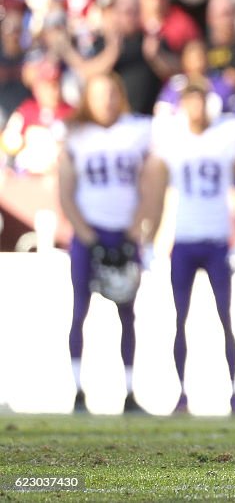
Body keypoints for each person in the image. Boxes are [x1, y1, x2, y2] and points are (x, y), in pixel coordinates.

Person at [146, 82, 235, 415]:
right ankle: (181, 394)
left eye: (200, 102)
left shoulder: (227, 136)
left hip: (217, 239)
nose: (195, 109)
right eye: (189, 103)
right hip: (184, 238)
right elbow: (156, 191)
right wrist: (151, 238)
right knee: (179, 319)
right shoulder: (172, 140)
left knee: (226, 318)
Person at [57, 72, 153, 414]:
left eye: (112, 93)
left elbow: (150, 184)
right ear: (87, 98)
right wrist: (90, 238)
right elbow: (65, 195)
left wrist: (133, 233)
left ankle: (129, 391)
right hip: (89, 235)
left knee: (129, 314)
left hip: (124, 234)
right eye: (98, 94)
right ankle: (78, 391)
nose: (106, 101)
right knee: (79, 311)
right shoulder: (76, 136)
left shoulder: (137, 132)